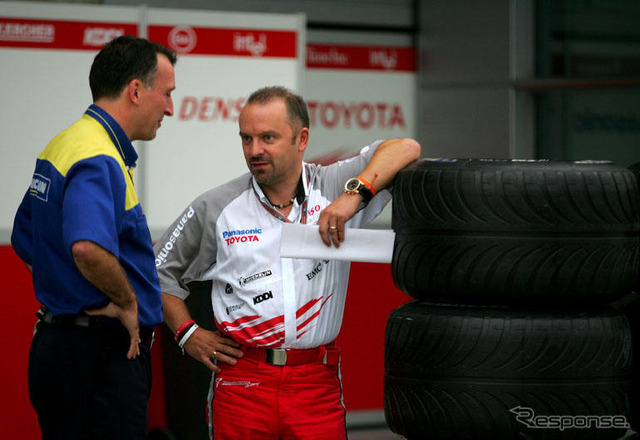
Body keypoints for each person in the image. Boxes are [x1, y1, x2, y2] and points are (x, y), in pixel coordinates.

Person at [154, 86, 420, 439]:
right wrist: (187, 334)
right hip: (242, 380)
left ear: (301, 138)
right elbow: (157, 273)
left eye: (268, 138)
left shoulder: (333, 185)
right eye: (246, 139)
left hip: (316, 381)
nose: (254, 151)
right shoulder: (216, 207)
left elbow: (405, 148)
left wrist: (352, 198)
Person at [11, 35, 176, 440]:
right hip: (99, 359)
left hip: (60, 347)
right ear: (136, 90)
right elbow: (86, 246)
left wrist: (67, 294)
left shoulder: (65, 143)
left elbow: (25, 238)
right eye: (167, 94)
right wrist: (125, 302)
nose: (170, 108)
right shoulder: (99, 156)